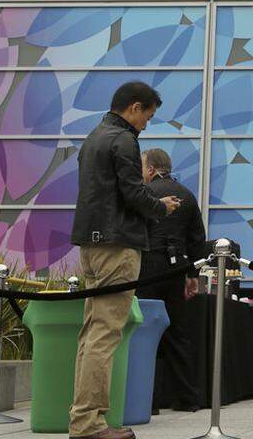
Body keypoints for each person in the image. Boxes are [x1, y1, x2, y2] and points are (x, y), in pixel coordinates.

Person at [69, 81, 180, 439]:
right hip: (118, 245)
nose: (146, 124)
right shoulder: (124, 140)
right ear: (134, 108)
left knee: (91, 332)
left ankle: (83, 418)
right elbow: (132, 192)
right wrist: (160, 207)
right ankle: (89, 423)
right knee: (105, 333)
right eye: (147, 116)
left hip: (91, 243)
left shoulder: (93, 138)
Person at [135, 147, 206, 413]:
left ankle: (148, 401)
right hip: (176, 269)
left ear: (151, 169)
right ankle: (188, 398)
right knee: (178, 334)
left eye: (142, 167)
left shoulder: (144, 194)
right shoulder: (187, 195)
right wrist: (193, 275)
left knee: (144, 334)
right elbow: (197, 238)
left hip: (146, 267)